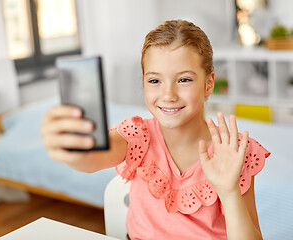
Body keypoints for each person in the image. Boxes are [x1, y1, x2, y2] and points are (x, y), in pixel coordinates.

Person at [41, 20, 270, 240]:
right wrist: (70, 146)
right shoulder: (137, 135)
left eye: (184, 80)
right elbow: (89, 159)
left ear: (208, 84)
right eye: (154, 81)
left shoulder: (233, 151)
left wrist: (229, 192)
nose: (168, 95)